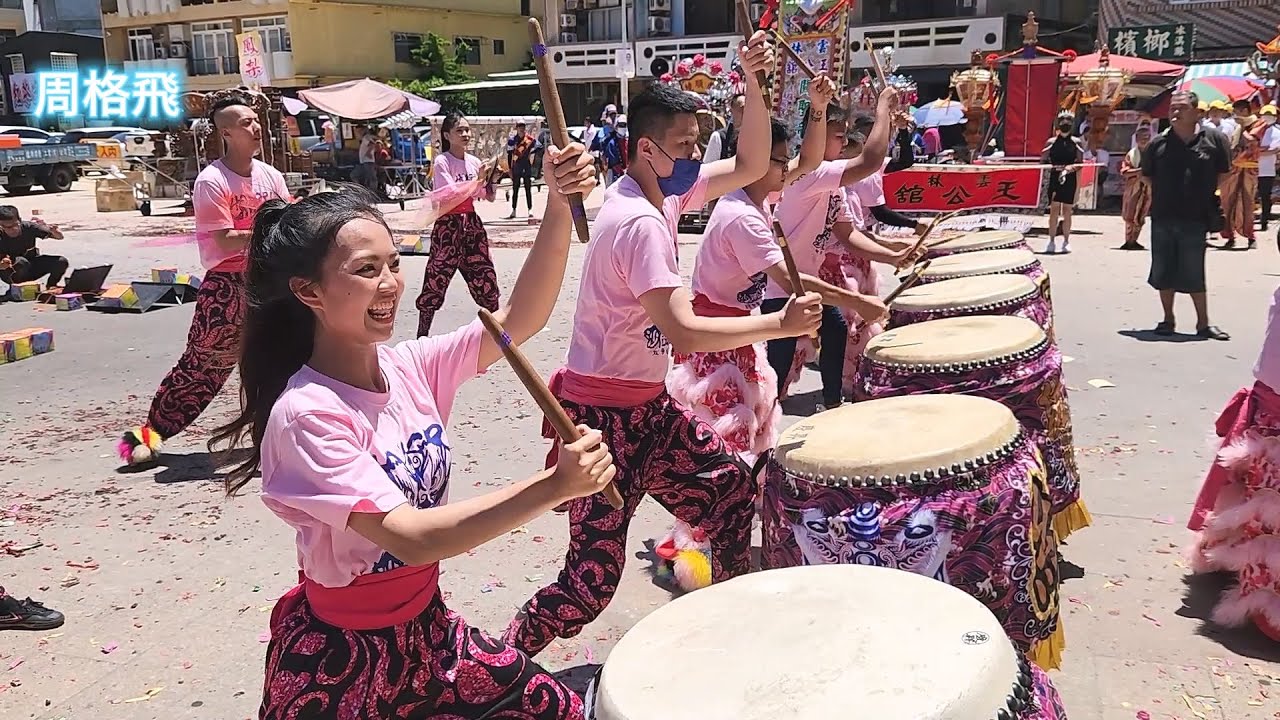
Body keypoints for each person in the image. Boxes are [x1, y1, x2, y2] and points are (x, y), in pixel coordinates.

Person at [214, 142, 604, 718]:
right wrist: (553, 487)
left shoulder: (411, 367)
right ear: (308, 292)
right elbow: (412, 537)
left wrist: (555, 206)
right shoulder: (307, 413)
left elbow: (519, 322)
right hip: (342, 662)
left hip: (430, 633)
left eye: (394, 263)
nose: (392, 284)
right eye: (367, 271)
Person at [503, 34, 823, 658]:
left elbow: (753, 163)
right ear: (645, 149)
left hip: (650, 408)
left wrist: (753, 82)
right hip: (602, 424)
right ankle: (504, 656)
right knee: (589, 583)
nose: (694, 155)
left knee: (731, 496)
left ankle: (726, 626)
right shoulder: (640, 221)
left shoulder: (664, 190)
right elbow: (682, 330)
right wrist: (777, 326)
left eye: (698, 144)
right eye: (683, 145)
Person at [667, 76, 885, 468]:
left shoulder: (761, 196)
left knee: (756, 438)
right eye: (780, 162)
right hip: (718, 341)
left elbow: (811, 161)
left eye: (786, 160)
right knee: (726, 458)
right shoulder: (741, 216)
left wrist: (817, 108)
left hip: (743, 330)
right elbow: (792, 281)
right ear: (754, 162)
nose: (789, 169)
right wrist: (857, 301)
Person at [119, 91, 291, 466]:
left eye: (256, 120)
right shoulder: (213, 181)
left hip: (270, 281)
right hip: (227, 289)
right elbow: (223, 240)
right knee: (201, 369)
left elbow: (288, 224)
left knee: (281, 362)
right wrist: (268, 229)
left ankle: (277, 439)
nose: (256, 127)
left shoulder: (272, 176)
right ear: (226, 133)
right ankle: (146, 436)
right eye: (246, 123)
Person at [764, 89, 908, 411]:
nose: (843, 143)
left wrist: (892, 254)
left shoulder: (832, 185)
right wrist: (882, 104)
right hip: (780, 285)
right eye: (837, 136)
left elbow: (847, 234)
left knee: (836, 330)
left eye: (845, 136)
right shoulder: (811, 172)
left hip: (809, 281)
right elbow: (870, 161)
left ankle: (832, 403)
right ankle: (765, 422)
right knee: (780, 359)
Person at [1186, 282, 1280, 641]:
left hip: (1268, 410)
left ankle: (1234, 565)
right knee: (1264, 511)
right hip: (1273, 415)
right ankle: (1262, 595)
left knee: (1253, 502)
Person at [1142, 91, 1231, 341]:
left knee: (1194, 270)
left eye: (1181, 108)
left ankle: (1203, 324)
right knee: (1163, 269)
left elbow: (1225, 172)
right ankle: (1168, 319)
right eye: (1172, 108)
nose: (1175, 112)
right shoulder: (1158, 143)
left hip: (1197, 217)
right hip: (1163, 215)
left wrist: (1204, 192)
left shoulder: (1214, 139)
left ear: (1196, 112)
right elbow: (1146, 175)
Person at [416, 112, 499, 338]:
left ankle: (500, 336)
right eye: (459, 130)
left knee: (485, 277)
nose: (465, 134)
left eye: (467, 129)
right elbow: (450, 194)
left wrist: (492, 179)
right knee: (436, 278)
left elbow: (484, 195)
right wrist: (478, 180)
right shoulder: (442, 161)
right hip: (448, 227)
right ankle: (421, 337)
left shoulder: (473, 162)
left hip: (471, 225)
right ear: (447, 135)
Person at [1220, 99, 1264, 250]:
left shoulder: (1257, 123)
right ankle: (1230, 236)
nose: (1235, 114)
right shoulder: (1235, 125)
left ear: (1245, 111)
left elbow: (1252, 141)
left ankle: (1250, 237)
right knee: (1228, 201)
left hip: (1249, 168)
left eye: (1237, 111)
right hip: (1234, 167)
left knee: (1247, 202)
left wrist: (1243, 127)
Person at [1041, 113, 1085, 254]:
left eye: (1068, 121)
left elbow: (1080, 162)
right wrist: (1046, 157)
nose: (1065, 123)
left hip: (1069, 178)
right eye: (1062, 120)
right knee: (1054, 209)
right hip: (1054, 177)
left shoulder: (1076, 142)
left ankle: (1066, 241)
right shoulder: (1051, 142)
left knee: (1067, 210)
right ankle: (1051, 240)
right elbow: (1043, 161)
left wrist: (1070, 168)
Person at [0, 205, 67, 296]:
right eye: (7, 227)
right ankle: (15, 289)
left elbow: (59, 237)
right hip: (12, 272)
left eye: (15, 225)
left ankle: (51, 286)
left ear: (19, 220)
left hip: (32, 266)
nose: (12, 230)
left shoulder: (29, 227)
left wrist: (55, 232)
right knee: (20, 262)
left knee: (61, 261)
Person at [1119, 124, 1154, 250]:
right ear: (1137, 139)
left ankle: (1135, 240)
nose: (1145, 140)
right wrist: (1139, 171)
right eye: (1142, 137)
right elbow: (1124, 171)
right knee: (1130, 215)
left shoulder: (1153, 153)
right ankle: (1128, 241)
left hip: (1147, 189)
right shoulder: (1132, 154)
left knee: (1141, 215)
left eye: (1147, 137)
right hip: (1133, 189)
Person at [507, 121, 538, 219]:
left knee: (528, 188)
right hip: (517, 166)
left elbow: (539, 147)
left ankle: (530, 209)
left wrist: (531, 153)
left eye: (523, 126)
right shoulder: (512, 140)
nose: (521, 128)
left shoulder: (529, 139)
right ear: (516, 128)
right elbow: (510, 155)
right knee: (515, 189)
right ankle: (513, 210)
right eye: (520, 126)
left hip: (526, 165)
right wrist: (510, 168)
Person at [703, 93, 745, 163]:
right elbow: (708, 167)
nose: (746, 112)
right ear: (732, 111)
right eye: (742, 109)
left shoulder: (754, 138)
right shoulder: (718, 137)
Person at [1259, 104, 1279, 236]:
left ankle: (1264, 220)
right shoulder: (1255, 129)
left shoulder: (1277, 132)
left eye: (1270, 115)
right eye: (1265, 114)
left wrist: (1256, 151)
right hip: (1251, 168)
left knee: (1265, 196)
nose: (1267, 117)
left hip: (1267, 168)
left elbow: (1274, 149)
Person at [357, 125, 379, 194]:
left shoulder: (366, 137)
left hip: (367, 160)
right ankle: (370, 192)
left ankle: (373, 193)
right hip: (366, 161)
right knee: (368, 177)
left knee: (372, 178)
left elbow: (371, 144)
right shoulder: (366, 137)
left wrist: (368, 153)